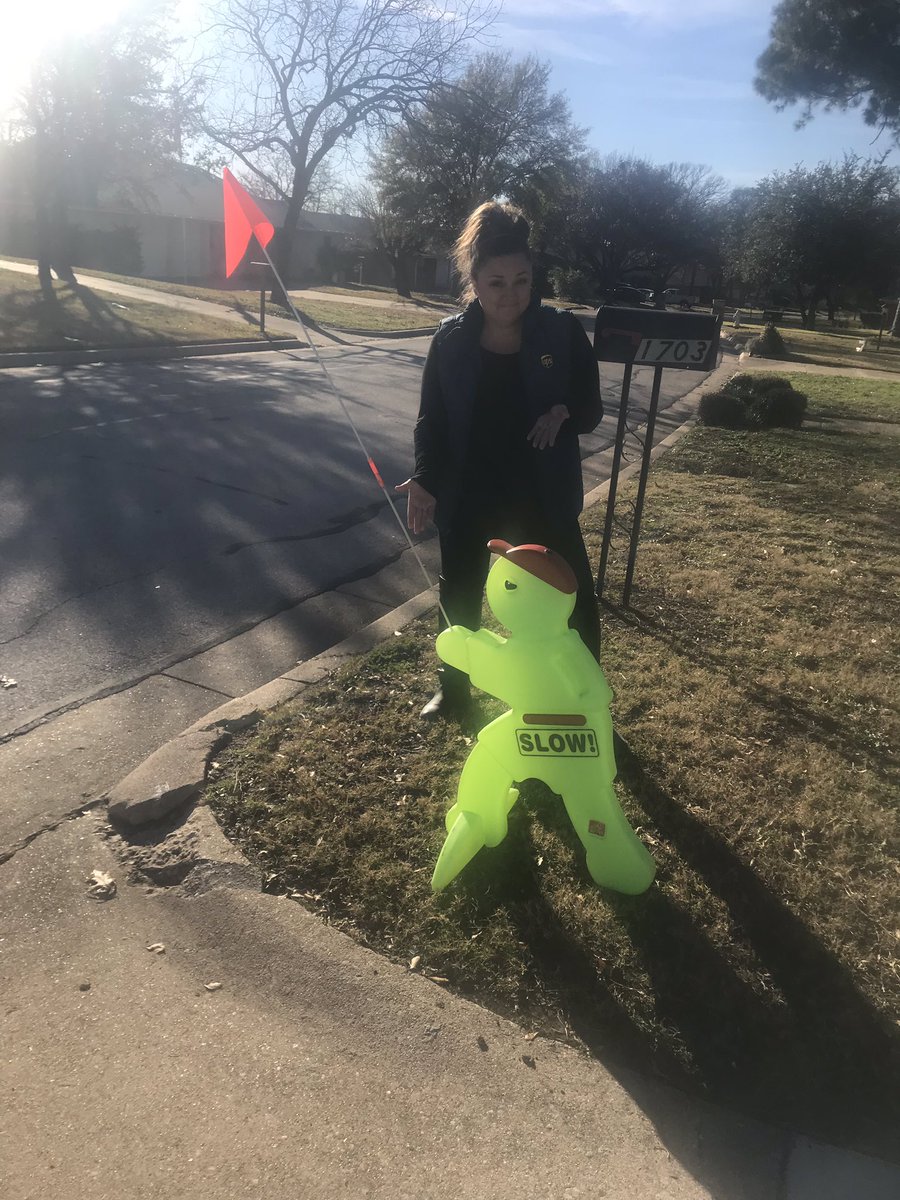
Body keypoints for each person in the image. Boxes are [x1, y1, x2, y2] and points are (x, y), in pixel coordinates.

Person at [395, 201, 604, 720]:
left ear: (533, 278)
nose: (510, 294)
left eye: (521, 281)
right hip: (470, 490)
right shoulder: (450, 340)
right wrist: (424, 478)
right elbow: (432, 420)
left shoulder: (561, 332)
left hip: (542, 492)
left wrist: (563, 412)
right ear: (474, 282)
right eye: (496, 283)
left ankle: (585, 701)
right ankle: (453, 692)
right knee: (460, 596)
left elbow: (591, 408)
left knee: (571, 597)